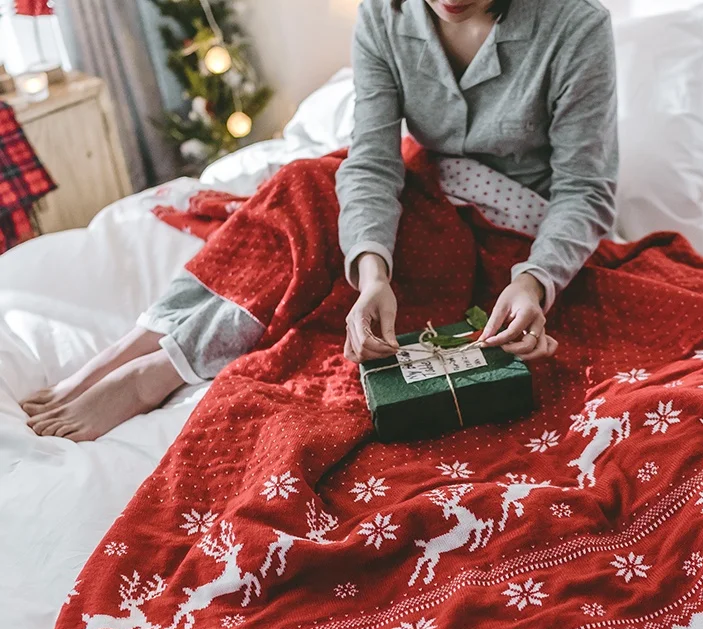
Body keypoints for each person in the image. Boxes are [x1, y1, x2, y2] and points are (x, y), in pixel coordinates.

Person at [21, 0, 618, 442]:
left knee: (307, 213)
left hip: (504, 237)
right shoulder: (386, 16)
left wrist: (534, 279)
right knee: (304, 187)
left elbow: (585, 190)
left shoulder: (575, 26)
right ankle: (139, 343)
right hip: (424, 193)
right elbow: (373, 160)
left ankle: (160, 369)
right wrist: (373, 273)